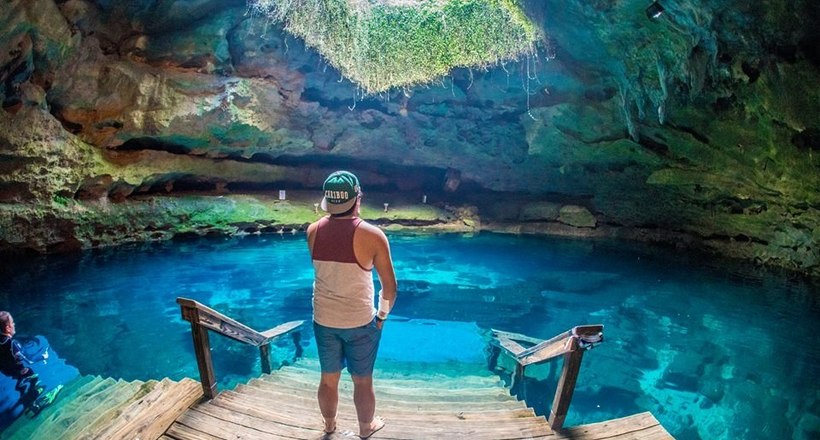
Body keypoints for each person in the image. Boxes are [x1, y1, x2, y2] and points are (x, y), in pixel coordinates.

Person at [306, 171, 398, 439]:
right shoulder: (373, 235)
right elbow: (390, 288)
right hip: (360, 321)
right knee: (362, 380)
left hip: (323, 319)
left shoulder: (312, 232)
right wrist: (381, 317)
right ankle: (366, 428)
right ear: (357, 198)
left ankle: (329, 426)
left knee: (328, 378)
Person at [0, 311, 48, 414]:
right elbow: (30, 360)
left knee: (20, 381)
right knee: (32, 375)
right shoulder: (13, 344)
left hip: (7, 372)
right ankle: (33, 404)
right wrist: (43, 357)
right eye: (12, 323)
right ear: (8, 328)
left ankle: (23, 396)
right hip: (20, 371)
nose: (14, 324)